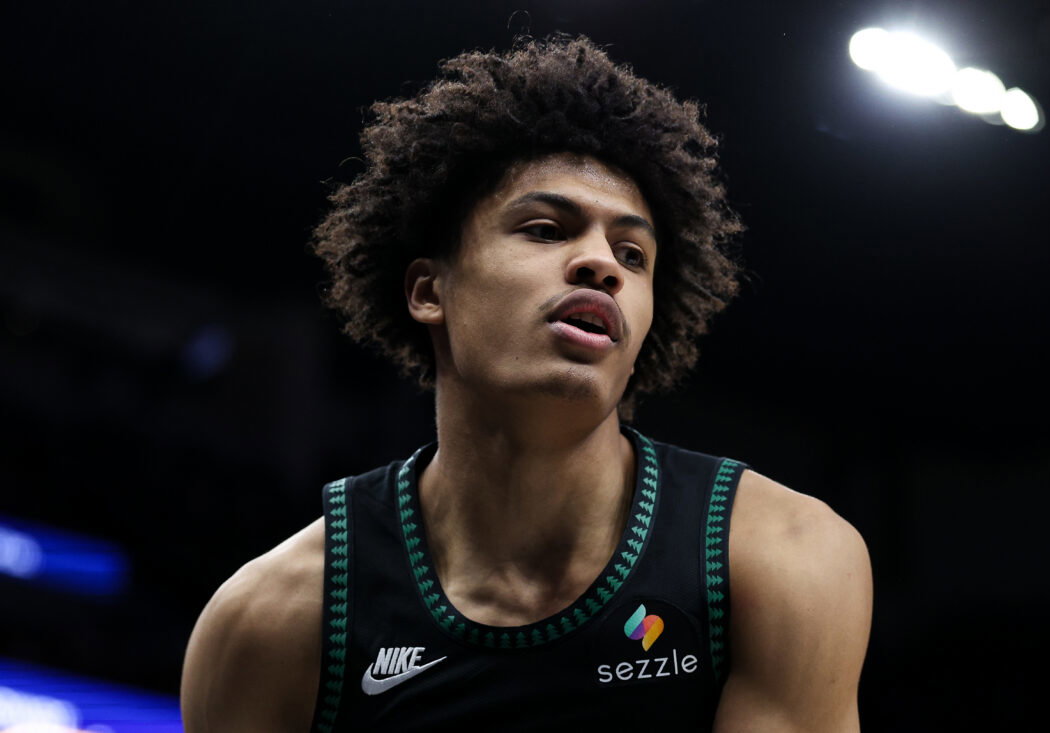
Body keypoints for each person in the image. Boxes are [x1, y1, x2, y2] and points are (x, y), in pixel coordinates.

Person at [180, 35, 872, 732]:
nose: (602, 264)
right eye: (546, 229)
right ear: (429, 290)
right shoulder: (272, 620)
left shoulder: (784, 555)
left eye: (632, 254)